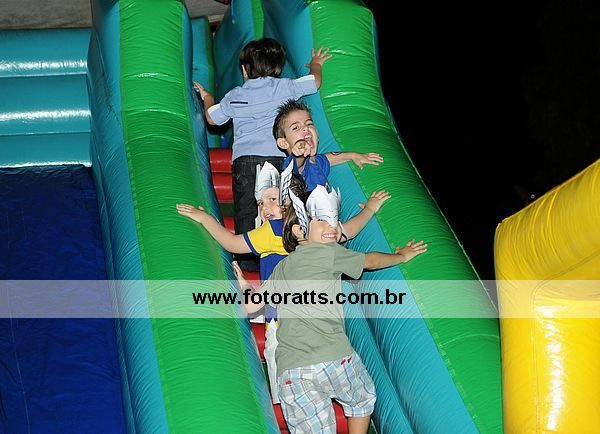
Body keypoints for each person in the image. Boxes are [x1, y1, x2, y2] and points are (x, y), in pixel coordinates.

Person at [176, 163, 391, 404]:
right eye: (260, 203)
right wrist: (370, 209)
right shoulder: (316, 230)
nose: (265, 208)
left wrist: (205, 218)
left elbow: (232, 243)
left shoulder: (274, 231)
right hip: (311, 320)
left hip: (281, 322)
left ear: (291, 203)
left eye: (273, 200)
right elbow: (347, 230)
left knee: (286, 381)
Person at [233, 186, 427, 434]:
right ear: (299, 230)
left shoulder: (281, 269)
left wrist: (244, 284)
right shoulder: (328, 252)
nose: (332, 227)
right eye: (322, 221)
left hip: (292, 371)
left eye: (334, 220)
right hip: (335, 358)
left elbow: (251, 305)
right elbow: (370, 261)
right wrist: (401, 256)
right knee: (362, 400)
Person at [194, 38, 331, 271]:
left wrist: (207, 96)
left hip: (246, 162)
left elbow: (212, 118)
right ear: (278, 68)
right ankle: (285, 248)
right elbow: (314, 82)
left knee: (247, 207)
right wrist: (315, 63)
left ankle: (248, 259)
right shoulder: (285, 87)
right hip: (279, 158)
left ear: (244, 70)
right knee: (282, 205)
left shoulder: (236, 95)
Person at [273, 100, 384, 192]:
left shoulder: (315, 161)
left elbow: (330, 158)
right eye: (296, 127)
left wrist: (353, 155)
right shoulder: (289, 168)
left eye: (309, 124)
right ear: (284, 143)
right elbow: (297, 164)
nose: (305, 128)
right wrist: (299, 151)